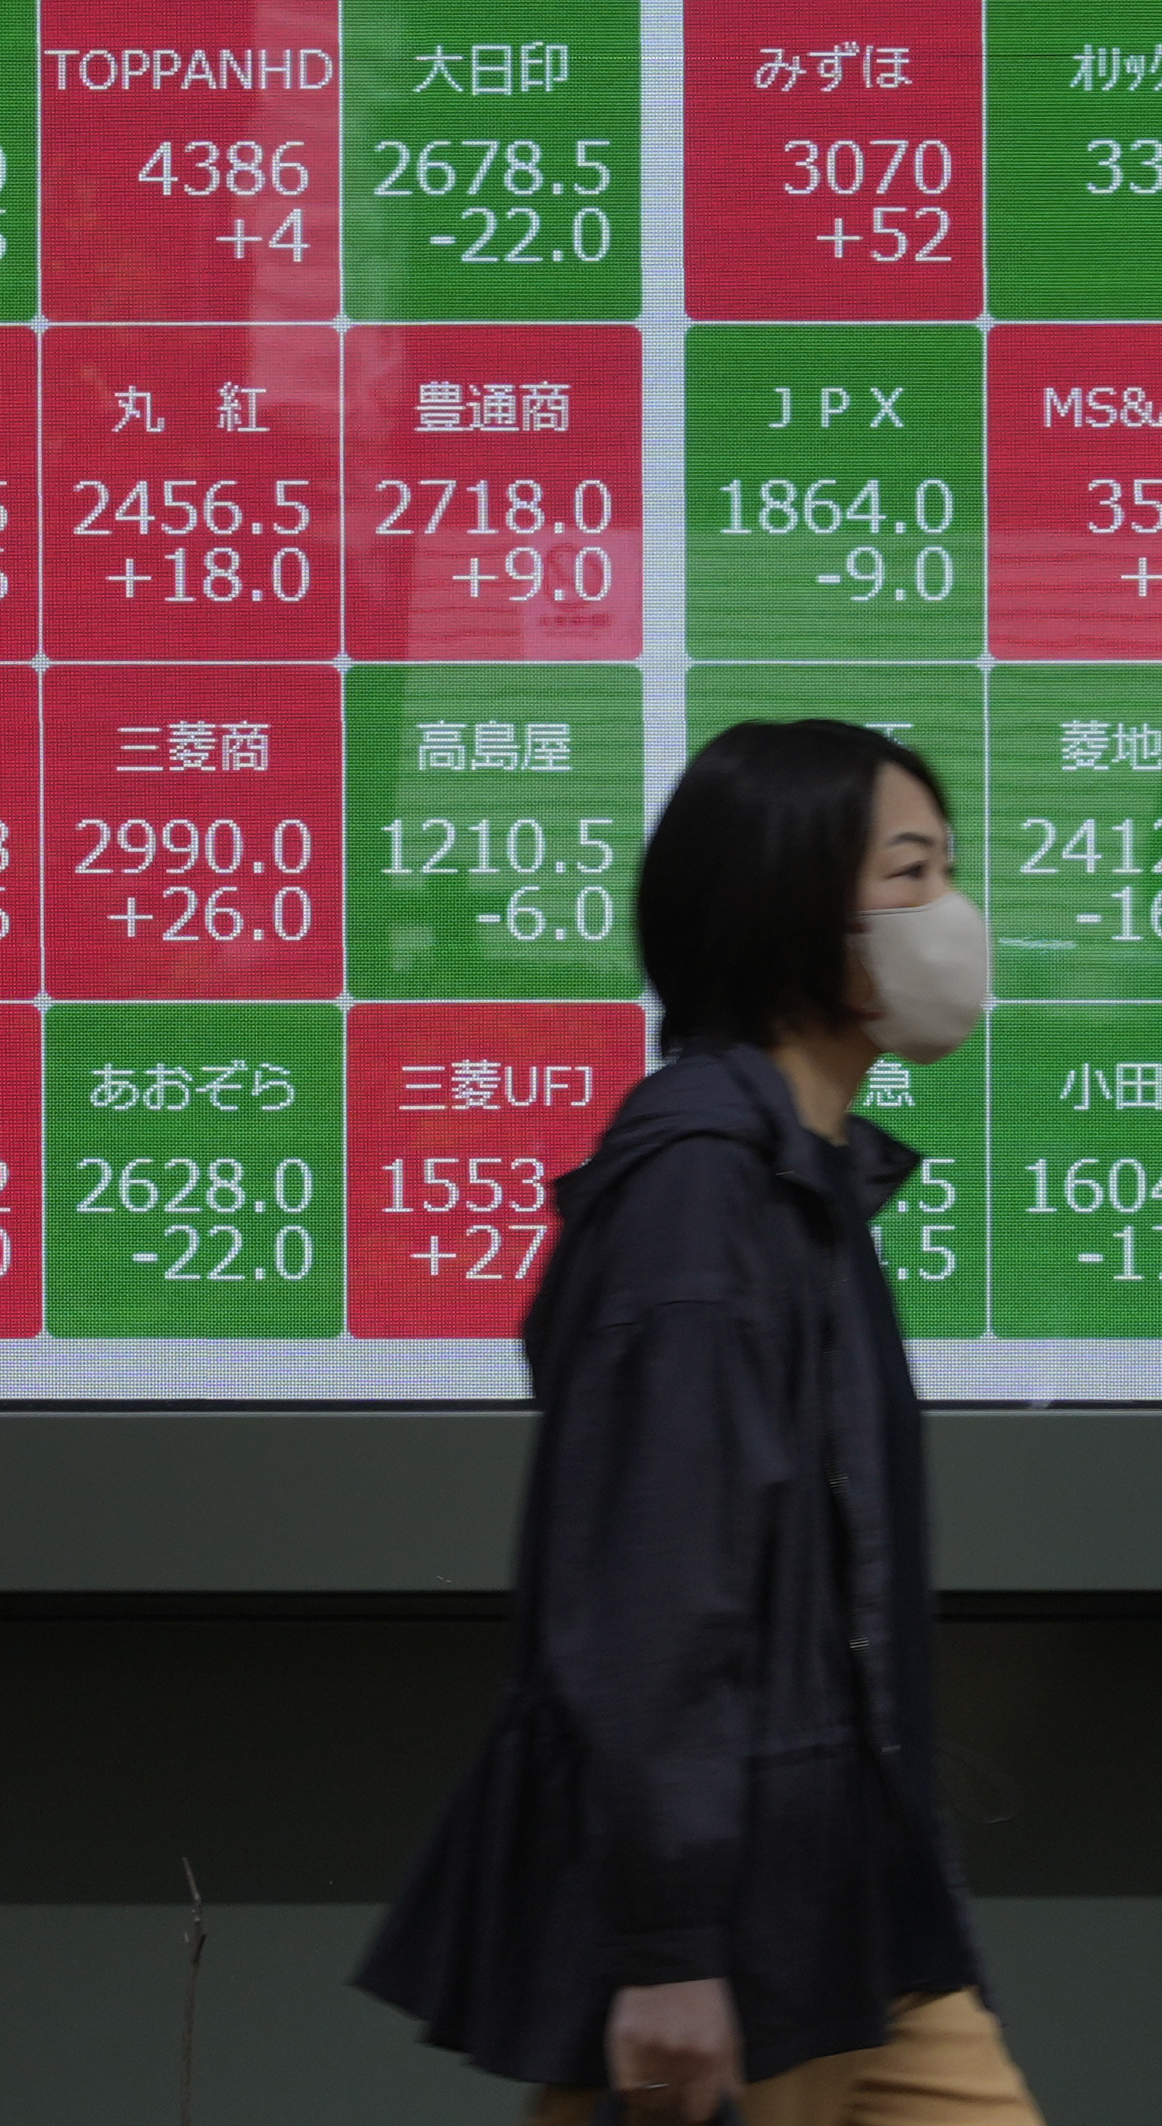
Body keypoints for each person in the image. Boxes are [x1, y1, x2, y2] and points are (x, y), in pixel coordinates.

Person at [359, 719, 1043, 2126]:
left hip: (855, 1915)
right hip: (739, 1937)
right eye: (911, 876)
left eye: (945, 871)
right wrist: (670, 1948)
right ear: (793, 912)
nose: (951, 916)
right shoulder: (701, 1201)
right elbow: (653, 1591)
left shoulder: (806, 1178)